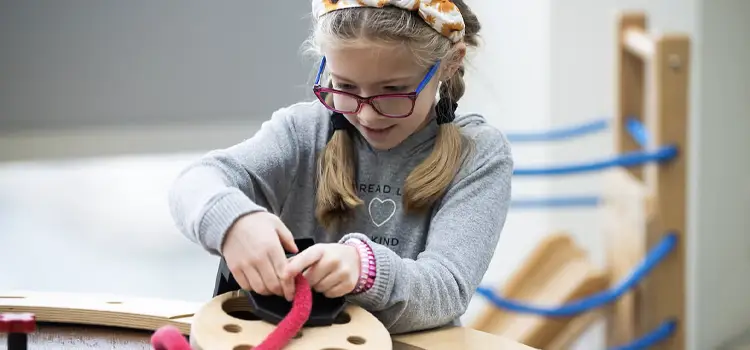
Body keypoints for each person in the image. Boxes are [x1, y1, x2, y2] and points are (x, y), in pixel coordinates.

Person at [168, 0, 513, 334]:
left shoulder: (479, 154)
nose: (366, 114)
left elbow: (446, 289)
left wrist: (364, 269)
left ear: (449, 64)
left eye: (393, 91)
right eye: (345, 86)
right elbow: (195, 182)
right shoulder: (302, 132)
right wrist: (233, 222)